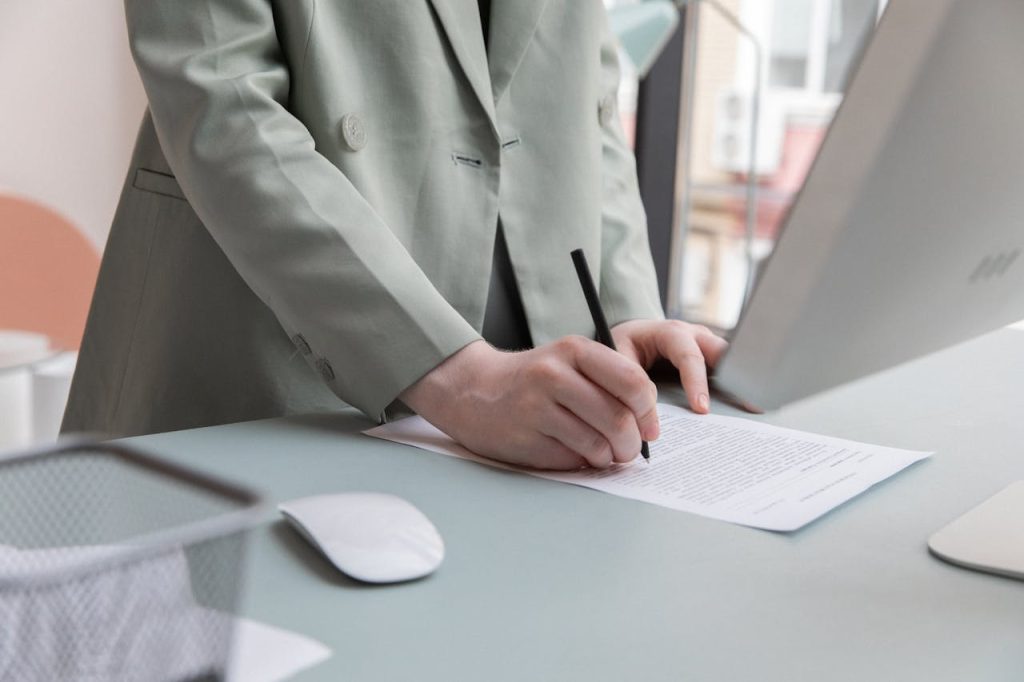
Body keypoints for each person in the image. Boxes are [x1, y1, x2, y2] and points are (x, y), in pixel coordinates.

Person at [63, 0, 727, 470]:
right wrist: (464, 380)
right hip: (267, 381)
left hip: (533, 417)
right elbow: (223, 106)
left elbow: (590, 94)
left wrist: (621, 312)